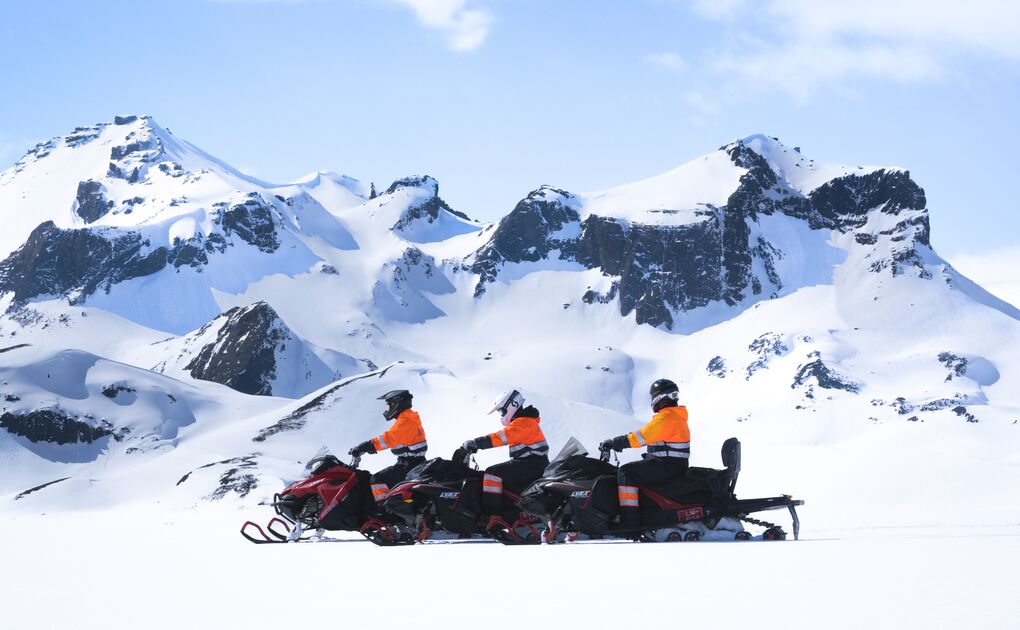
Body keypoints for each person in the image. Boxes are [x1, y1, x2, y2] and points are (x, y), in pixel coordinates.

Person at [600, 378, 690, 528]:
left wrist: (615, 443)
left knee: (626, 473)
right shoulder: (675, 416)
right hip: (671, 464)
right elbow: (648, 435)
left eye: (653, 396)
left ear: (659, 397)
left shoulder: (667, 417)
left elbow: (640, 437)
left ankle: (630, 522)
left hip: (667, 465)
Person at [460, 389, 549, 515]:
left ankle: (492, 515)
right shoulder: (525, 421)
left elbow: (501, 437)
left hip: (531, 464)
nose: (501, 415)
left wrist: (476, 443)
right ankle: (509, 511)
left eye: (502, 411)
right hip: (531, 464)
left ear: (513, 405)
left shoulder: (523, 422)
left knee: (492, 473)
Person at [348, 389, 428, 504]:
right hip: (414, 463)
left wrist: (363, 447)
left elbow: (387, 439)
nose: (388, 409)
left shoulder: (405, 422)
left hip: (408, 466)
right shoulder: (410, 418)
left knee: (377, 479)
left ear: (397, 404)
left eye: (390, 405)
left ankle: (384, 509)